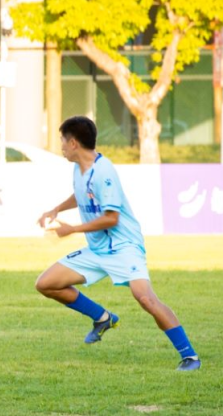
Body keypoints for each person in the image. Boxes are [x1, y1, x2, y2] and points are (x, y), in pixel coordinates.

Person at [35, 115, 200, 371]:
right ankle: (103, 318)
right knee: (46, 283)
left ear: (74, 143)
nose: (61, 146)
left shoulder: (104, 172)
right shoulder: (79, 168)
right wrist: (56, 209)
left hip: (124, 247)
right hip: (98, 250)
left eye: (63, 141)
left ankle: (190, 357)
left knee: (146, 299)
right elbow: (81, 194)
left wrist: (73, 229)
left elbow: (112, 218)